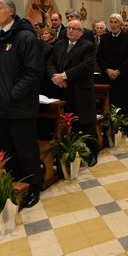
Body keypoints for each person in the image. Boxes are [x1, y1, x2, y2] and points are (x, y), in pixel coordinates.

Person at [0, 0, 45, 208]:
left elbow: (34, 72)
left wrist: (13, 93)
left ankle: (33, 188)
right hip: (0, 108)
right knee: (7, 152)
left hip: (20, 107)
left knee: (26, 151)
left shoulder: (25, 37)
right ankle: (16, 185)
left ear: (11, 11)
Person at [47, 19, 100, 166]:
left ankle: (93, 153)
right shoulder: (59, 44)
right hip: (62, 90)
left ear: (81, 32)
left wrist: (64, 76)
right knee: (68, 125)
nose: (70, 30)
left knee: (87, 124)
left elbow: (85, 67)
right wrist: (55, 77)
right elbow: (50, 63)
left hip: (80, 91)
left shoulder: (88, 46)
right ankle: (70, 154)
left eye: (74, 29)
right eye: (69, 28)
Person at [97, 13, 128, 137]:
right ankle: (109, 127)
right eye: (111, 22)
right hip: (108, 76)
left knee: (126, 102)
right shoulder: (105, 38)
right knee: (110, 102)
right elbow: (99, 56)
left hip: (123, 75)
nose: (113, 25)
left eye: (115, 22)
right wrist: (108, 70)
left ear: (120, 24)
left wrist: (118, 71)